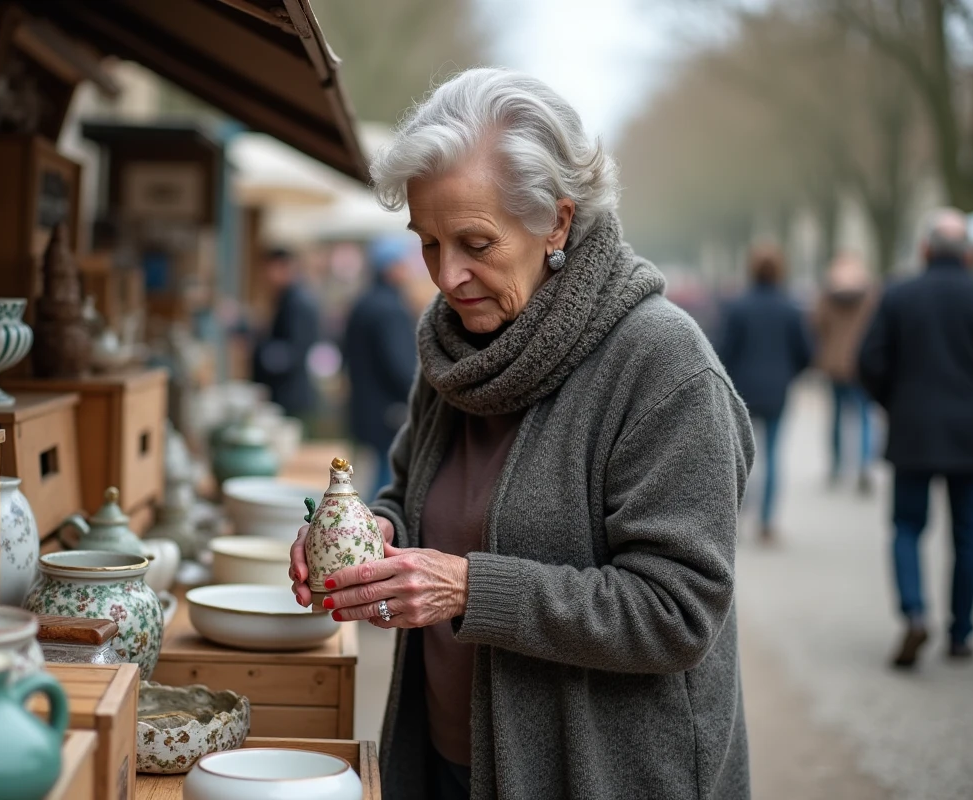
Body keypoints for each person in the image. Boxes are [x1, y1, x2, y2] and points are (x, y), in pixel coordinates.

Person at [289, 68, 754, 800]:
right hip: (446, 758)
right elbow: (409, 495)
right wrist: (366, 537)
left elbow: (677, 612)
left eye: (475, 242)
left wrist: (466, 586)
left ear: (557, 223)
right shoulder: (450, 347)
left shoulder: (664, 365)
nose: (447, 275)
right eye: (429, 241)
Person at [858, 208, 973, 668]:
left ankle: (915, 613)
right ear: (969, 254)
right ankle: (961, 633)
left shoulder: (900, 296)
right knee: (967, 534)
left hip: (914, 428)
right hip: (971, 430)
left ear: (924, 249)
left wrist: (893, 404)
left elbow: (870, 361)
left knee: (906, 527)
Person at [717, 245, 812, 543]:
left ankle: (737, 516)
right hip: (777, 390)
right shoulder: (790, 308)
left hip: (742, 388)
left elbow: (723, 350)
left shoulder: (738, 307)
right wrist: (788, 375)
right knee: (773, 456)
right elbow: (806, 352)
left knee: (742, 455)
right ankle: (768, 521)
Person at [344, 236, 419, 496]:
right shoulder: (391, 309)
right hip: (387, 414)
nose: (407, 269)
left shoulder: (363, 302)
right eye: (402, 262)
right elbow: (400, 367)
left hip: (363, 408)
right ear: (390, 266)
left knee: (362, 478)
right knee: (383, 489)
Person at [814, 253, 878, 493]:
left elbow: (816, 323)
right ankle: (864, 465)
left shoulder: (827, 295)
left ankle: (837, 466)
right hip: (862, 364)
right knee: (864, 418)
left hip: (834, 364)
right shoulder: (871, 295)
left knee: (837, 417)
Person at [251, 247, 320, 417]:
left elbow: (293, 351)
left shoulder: (297, 303)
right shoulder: (289, 298)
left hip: (291, 393)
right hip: (288, 390)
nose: (267, 277)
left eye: (270, 270)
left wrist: (259, 350)